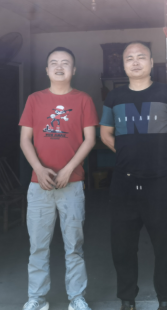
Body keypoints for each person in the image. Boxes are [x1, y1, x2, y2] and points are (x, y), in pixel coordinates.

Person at [100, 41, 167, 310]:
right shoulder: (114, 97)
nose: (135, 62)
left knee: (163, 245)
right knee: (123, 246)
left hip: (158, 181)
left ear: (151, 63)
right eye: (129, 58)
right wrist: (126, 153)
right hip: (124, 183)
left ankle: (165, 300)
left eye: (141, 57)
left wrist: (158, 154)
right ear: (123, 65)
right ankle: (127, 300)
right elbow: (105, 134)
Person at [19, 47, 98, 310]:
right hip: (38, 185)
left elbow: (90, 139)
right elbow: (25, 139)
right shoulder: (34, 100)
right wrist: (39, 169)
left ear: (73, 70)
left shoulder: (83, 100)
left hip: (72, 184)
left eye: (65, 63)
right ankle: (36, 298)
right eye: (54, 63)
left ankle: (77, 297)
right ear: (47, 70)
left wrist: (68, 170)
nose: (59, 67)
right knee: (38, 246)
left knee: (73, 245)